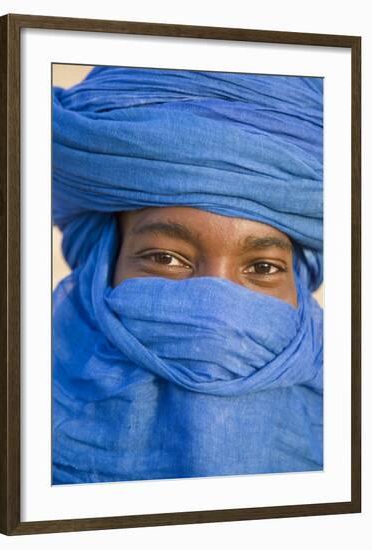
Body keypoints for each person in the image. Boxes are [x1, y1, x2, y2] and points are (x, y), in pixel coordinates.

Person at [52, 66, 323, 484]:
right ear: (101, 266)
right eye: (165, 258)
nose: (216, 316)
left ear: (301, 286)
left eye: (263, 268)